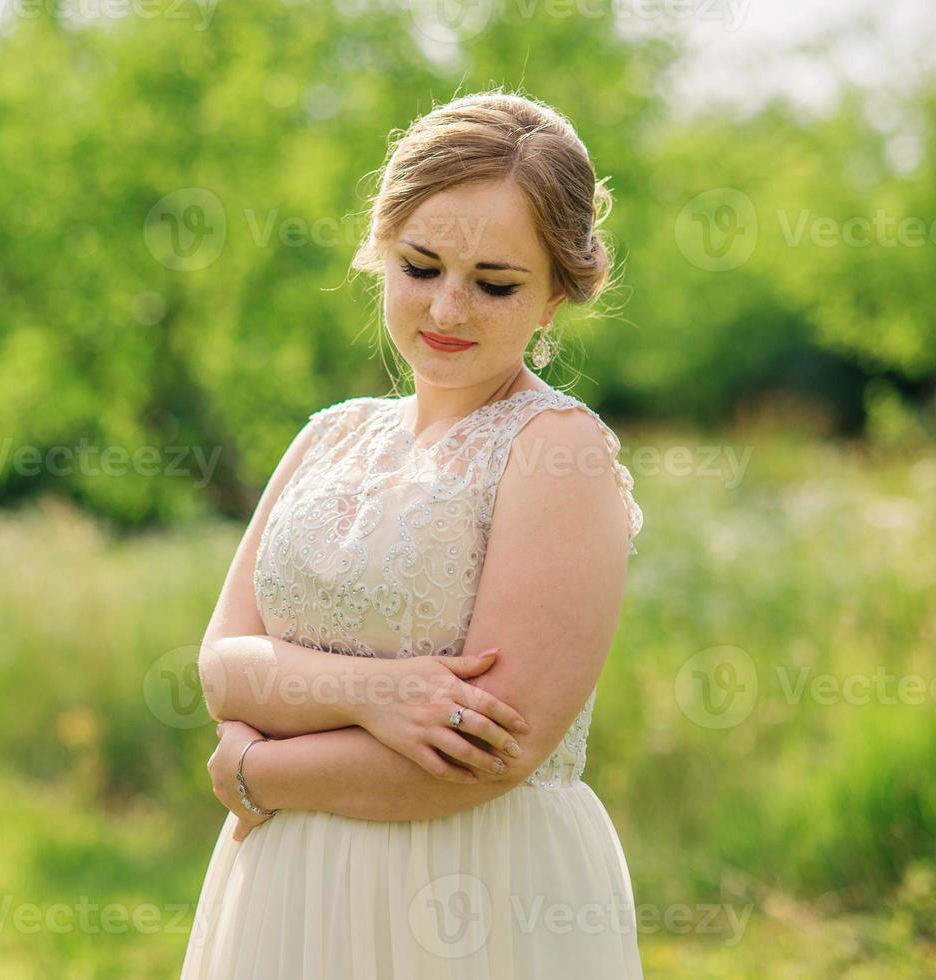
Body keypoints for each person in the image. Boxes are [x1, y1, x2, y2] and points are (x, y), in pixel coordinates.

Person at [180, 89, 646, 978]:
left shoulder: (556, 452)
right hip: (285, 886)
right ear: (377, 252)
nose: (446, 311)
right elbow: (221, 665)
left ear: (556, 293)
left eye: (495, 284)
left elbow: (483, 756)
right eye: (420, 267)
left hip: (472, 891)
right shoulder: (328, 434)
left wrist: (254, 770)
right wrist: (378, 694)